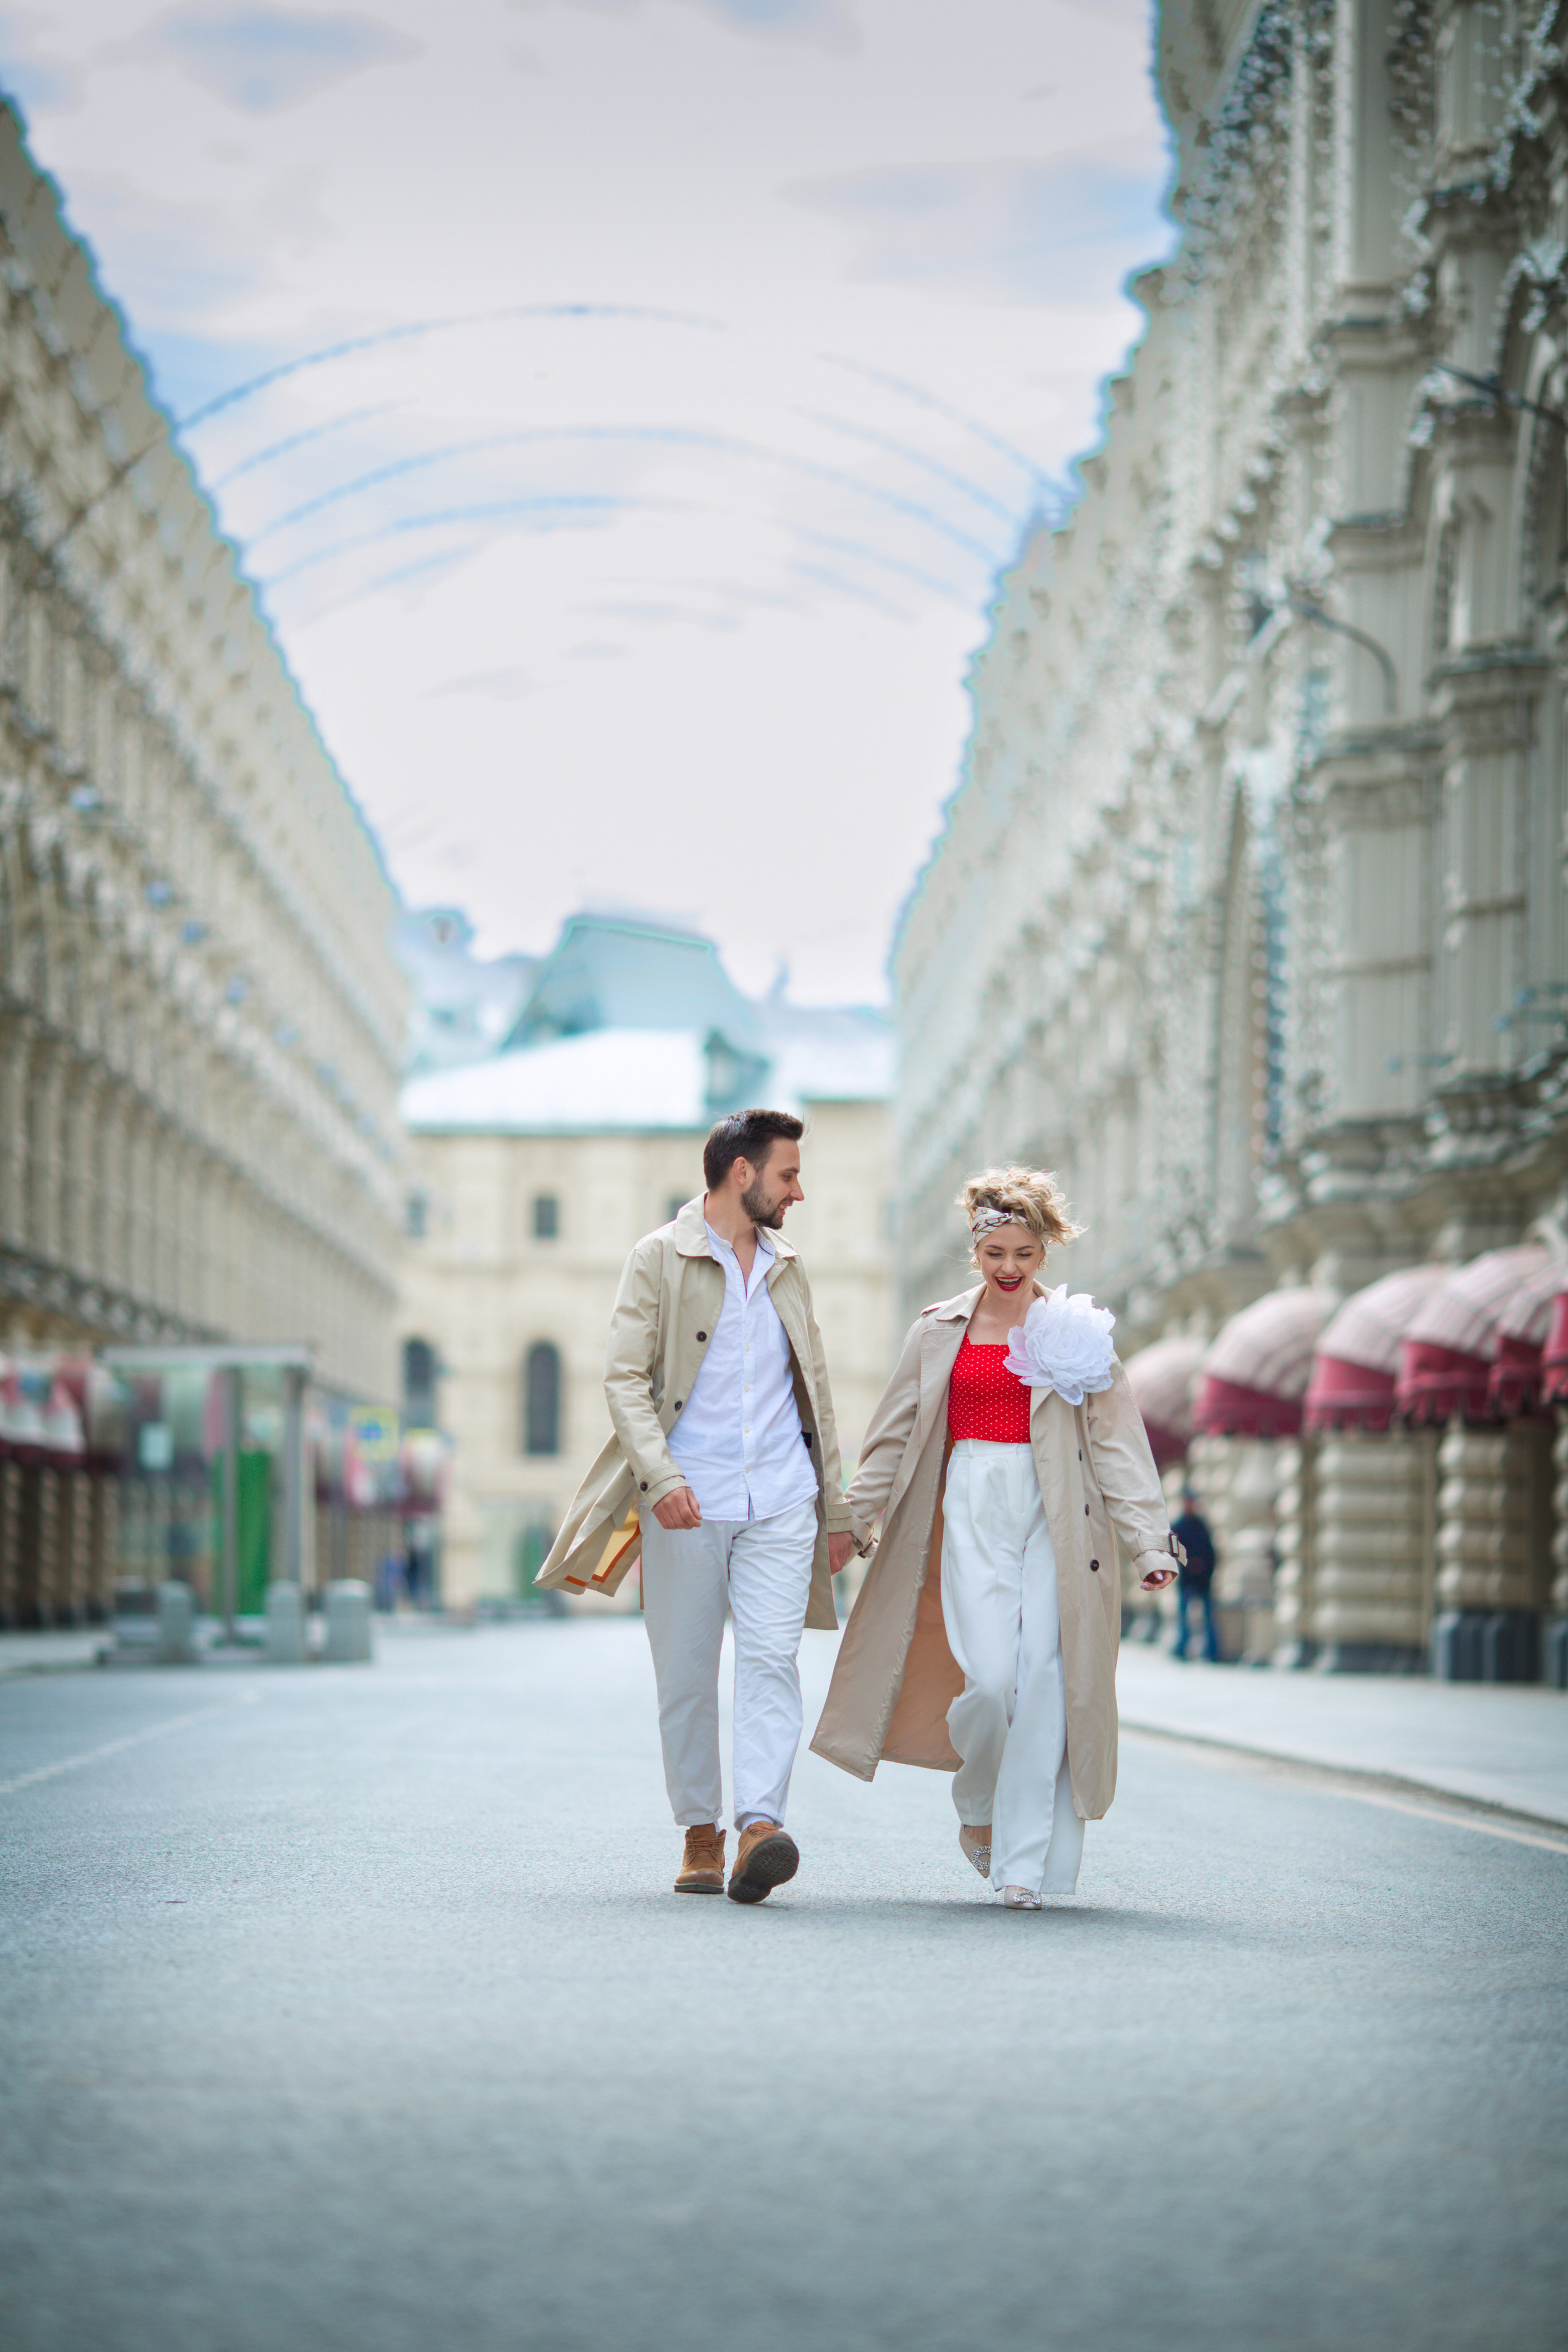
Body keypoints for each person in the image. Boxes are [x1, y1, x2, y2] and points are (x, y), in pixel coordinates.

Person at [811, 1167, 1182, 1909]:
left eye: (1024, 1253)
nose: (1009, 1269)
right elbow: (888, 1440)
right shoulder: (935, 1330)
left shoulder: (1077, 1333)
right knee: (987, 1683)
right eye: (994, 1255)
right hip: (970, 1507)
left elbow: (1117, 1445)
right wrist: (852, 1523)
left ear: (1045, 1251)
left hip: (1059, 1514)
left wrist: (1148, 1542)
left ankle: (1020, 1864)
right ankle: (976, 1803)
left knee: (1045, 1679)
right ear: (975, 1253)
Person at [534, 1108, 855, 1903]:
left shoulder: (788, 1264)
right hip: (687, 1501)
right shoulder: (657, 1258)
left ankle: (757, 1824)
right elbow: (625, 1381)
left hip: (781, 1498)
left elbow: (813, 1391)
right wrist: (663, 1477)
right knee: (685, 1673)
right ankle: (701, 1832)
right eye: (788, 1174)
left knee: (771, 1664)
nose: (799, 1192)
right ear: (741, 1174)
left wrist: (837, 1511)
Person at [1170, 1487, 1219, 1662]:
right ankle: (1182, 1648)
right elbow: (1174, 1552)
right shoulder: (1179, 1526)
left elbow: (1210, 1551)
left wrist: (1205, 1568)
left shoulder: (1201, 1525)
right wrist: (1189, 1566)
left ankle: (1212, 1651)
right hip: (1187, 1579)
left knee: (1209, 1619)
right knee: (1184, 1618)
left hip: (1203, 1580)